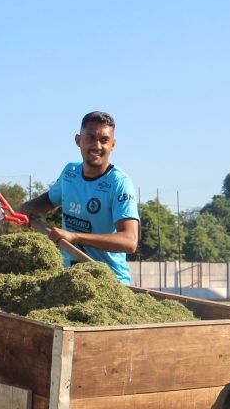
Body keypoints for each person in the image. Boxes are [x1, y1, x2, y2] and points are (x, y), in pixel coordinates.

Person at [19, 111, 140, 282]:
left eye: (104, 140)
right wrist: (28, 208)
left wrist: (75, 236)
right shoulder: (70, 173)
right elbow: (48, 200)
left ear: (113, 144)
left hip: (110, 283)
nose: (97, 145)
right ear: (78, 140)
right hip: (69, 279)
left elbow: (129, 241)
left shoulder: (119, 183)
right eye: (90, 137)